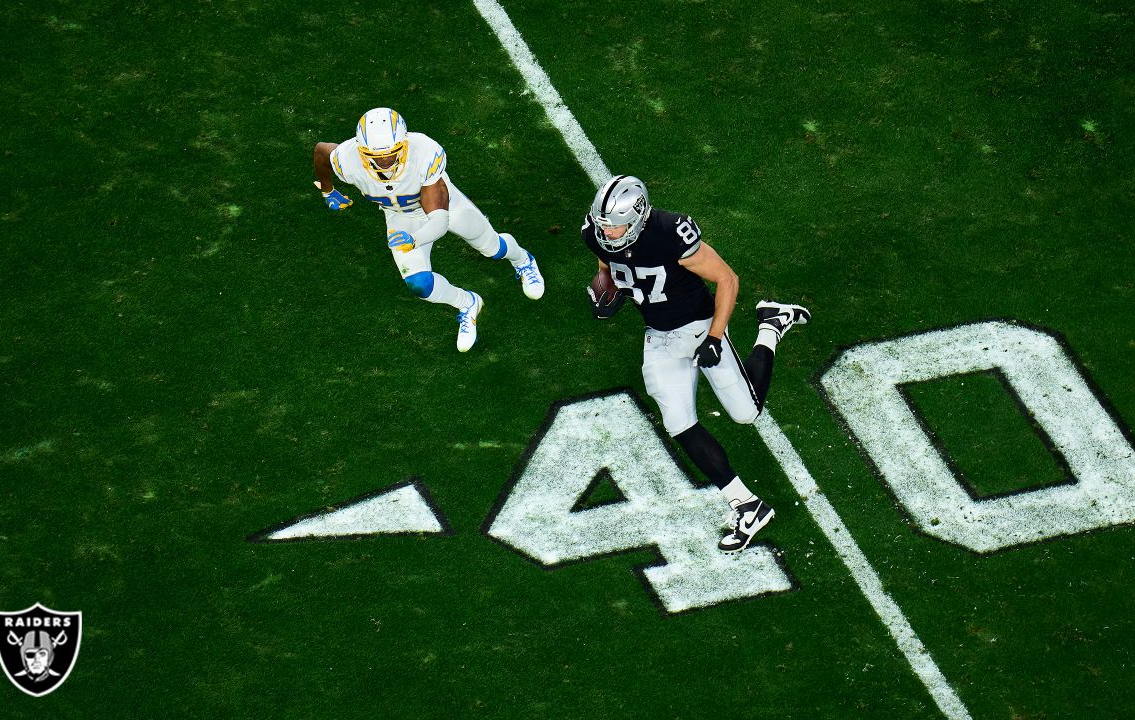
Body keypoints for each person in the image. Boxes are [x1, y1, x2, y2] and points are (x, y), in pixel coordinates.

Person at [582, 175, 810, 552]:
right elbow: (607, 264)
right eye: (603, 224)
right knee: (678, 422)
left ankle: (771, 324)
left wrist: (716, 337)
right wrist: (606, 284)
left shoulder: (671, 232)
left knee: (745, 413)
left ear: (638, 215)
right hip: (658, 335)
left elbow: (727, 278)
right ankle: (747, 505)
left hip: (700, 325)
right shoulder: (596, 233)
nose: (608, 232)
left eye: (615, 224)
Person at [313, 107, 545, 352]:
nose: (384, 161)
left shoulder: (424, 153)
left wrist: (415, 239)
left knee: (493, 248)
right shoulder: (347, 159)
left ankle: (523, 260)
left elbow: (439, 221)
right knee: (419, 285)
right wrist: (327, 190)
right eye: (374, 155)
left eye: (391, 153)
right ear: (361, 150)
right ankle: (468, 303)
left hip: (443, 208)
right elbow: (321, 152)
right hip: (399, 217)